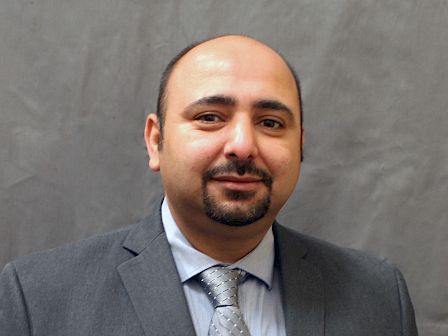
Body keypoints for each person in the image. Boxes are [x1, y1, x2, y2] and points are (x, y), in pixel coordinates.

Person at [0, 35, 417, 336]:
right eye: (210, 117)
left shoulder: (378, 296)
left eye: (270, 123)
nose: (242, 145)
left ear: (301, 143)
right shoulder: (38, 298)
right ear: (155, 140)